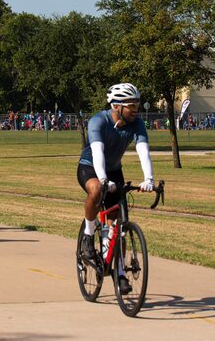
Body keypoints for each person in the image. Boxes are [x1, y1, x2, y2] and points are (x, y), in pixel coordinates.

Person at [77, 82, 155, 295]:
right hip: (90, 167)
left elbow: (143, 151)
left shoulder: (136, 124)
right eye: (132, 105)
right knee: (95, 191)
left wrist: (149, 179)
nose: (136, 110)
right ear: (117, 106)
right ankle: (88, 233)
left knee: (118, 226)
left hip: (114, 171)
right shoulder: (98, 121)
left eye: (137, 105)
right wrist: (102, 179)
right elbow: (98, 152)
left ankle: (119, 274)